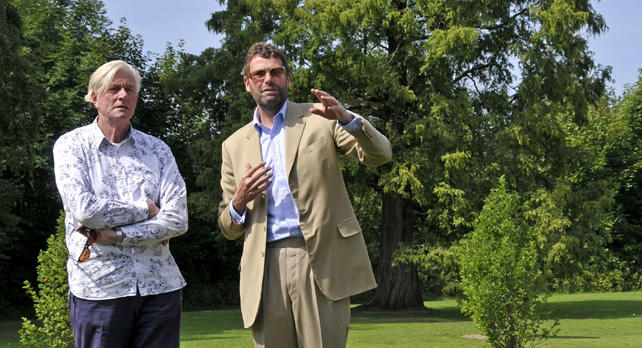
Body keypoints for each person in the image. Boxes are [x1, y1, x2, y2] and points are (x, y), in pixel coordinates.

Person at [218, 42, 392, 348]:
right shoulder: (233, 145)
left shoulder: (319, 118)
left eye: (276, 72)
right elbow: (227, 226)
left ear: (288, 79)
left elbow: (381, 155)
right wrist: (239, 200)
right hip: (264, 266)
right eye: (259, 74)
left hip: (320, 258)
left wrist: (347, 119)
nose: (267, 79)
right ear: (248, 84)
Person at [53, 60, 188, 348]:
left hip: (160, 287)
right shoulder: (71, 146)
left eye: (129, 89)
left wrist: (116, 235)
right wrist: (146, 210)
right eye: (114, 88)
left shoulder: (158, 150)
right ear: (94, 96)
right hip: (100, 287)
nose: (122, 95)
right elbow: (85, 210)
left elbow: (178, 219)